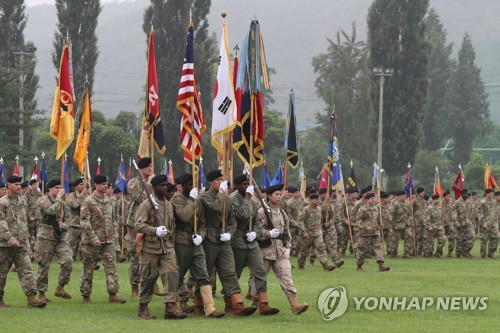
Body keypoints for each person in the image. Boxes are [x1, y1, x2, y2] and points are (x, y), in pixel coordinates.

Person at [198, 169, 256, 316]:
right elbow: (215, 207)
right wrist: (222, 195)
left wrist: (229, 234)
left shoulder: (228, 199)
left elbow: (232, 221)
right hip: (209, 239)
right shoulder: (204, 196)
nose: (220, 182)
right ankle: (199, 306)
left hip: (224, 240)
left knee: (230, 273)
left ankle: (237, 305)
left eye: (221, 179)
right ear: (211, 182)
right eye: (217, 180)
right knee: (205, 274)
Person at [170, 173, 225, 318]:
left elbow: (202, 223)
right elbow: (184, 216)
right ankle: (174, 305)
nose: (191, 186)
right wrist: (192, 200)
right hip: (181, 242)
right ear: (181, 186)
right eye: (187, 184)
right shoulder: (176, 200)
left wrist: (201, 235)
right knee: (178, 275)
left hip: (196, 242)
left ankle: (209, 308)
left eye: (192, 184)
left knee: (203, 275)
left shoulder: (198, 202)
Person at [135, 175, 186, 319]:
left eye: (166, 185)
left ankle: (170, 307)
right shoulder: (146, 204)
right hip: (150, 247)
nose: (165, 187)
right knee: (148, 279)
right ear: (154, 187)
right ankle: (143, 307)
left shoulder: (168, 204)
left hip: (167, 247)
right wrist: (154, 230)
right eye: (162, 185)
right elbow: (138, 225)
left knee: (172, 275)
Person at [230, 173, 279, 315]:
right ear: (237, 185)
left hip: (251, 242)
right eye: (244, 184)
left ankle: (263, 304)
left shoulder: (253, 201)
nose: (247, 187)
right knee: (235, 274)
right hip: (237, 240)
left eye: (248, 184)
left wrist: (255, 233)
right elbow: (242, 214)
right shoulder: (232, 199)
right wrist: (247, 198)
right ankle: (233, 303)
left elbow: (257, 221)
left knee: (260, 272)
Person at [257, 184, 308, 315]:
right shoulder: (262, 212)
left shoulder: (282, 212)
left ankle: (295, 305)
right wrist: (268, 234)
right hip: (265, 251)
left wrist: (288, 248)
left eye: (280, 194)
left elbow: (286, 233)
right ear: (268, 196)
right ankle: (257, 305)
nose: (279, 197)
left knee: (287, 278)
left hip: (280, 251)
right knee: (259, 279)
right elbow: (257, 231)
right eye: (276, 195)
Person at [0, 176, 46, 308]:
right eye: (16, 184)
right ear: (9, 185)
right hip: (5, 244)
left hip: (21, 243)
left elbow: (24, 221)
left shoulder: (22, 201)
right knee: (1, 273)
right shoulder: (2, 203)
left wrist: (27, 239)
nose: (19, 187)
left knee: (27, 270)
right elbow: (1, 223)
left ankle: (32, 298)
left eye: (20, 184)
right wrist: (10, 239)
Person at [80, 175, 126, 304]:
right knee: (89, 268)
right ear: (96, 185)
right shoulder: (88, 201)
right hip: (91, 242)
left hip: (108, 240)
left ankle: (113, 293)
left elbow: (114, 220)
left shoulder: (111, 200)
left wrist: (115, 239)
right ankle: (86, 295)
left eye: (107, 184)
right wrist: (93, 238)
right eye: (103, 184)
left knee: (111, 267)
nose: (106, 186)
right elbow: (84, 222)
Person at [34, 178, 73, 303]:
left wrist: (65, 226)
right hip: (45, 237)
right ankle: (41, 293)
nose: (59, 190)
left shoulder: (63, 203)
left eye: (60, 187)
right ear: (50, 189)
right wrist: (59, 198)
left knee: (68, 260)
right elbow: (51, 211)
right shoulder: (43, 200)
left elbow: (68, 220)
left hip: (60, 237)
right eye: (56, 187)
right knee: (43, 265)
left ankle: (60, 287)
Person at [125, 157, 152, 298]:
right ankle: (134, 287)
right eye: (148, 166)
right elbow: (141, 198)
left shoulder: (150, 183)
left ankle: (149, 283)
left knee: (149, 255)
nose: (150, 169)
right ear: (141, 168)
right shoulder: (134, 182)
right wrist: (148, 186)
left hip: (148, 223)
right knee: (136, 256)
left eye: (151, 166)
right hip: (135, 224)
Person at [296, 192, 335, 271]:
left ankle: (325, 264)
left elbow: (325, 208)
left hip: (317, 233)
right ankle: (301, 265)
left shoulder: (319, 209)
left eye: (318, 200)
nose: (317, 201)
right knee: (304, 250)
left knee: (321, 248)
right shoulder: (305, 209)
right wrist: (304, 232)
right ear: (310, 200)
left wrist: (326, 200)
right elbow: (300, 221)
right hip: (307, 233)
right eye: (315, 200)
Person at [355, 193, 390, 272]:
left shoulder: (376, 209)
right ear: (367, 200)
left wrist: (380, 225)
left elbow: (377, 220)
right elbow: (358, 221)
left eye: (374, 198)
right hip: (364, 233)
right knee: (362, 250)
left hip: (375, 232)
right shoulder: (362, 209)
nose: (373, 200)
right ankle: (359, 266)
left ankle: (381, 265)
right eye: (371, 198)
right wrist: (365, 227)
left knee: (378, 248)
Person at [64, 178, 87, 260]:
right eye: (80, 184)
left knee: (85, 243)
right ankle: (67, 258)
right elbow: (74, 205)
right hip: (73, 223)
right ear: (76, 187)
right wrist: (81, 196)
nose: (82, 186)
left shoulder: (87, 196)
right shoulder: (70, 195)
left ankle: (86, 259)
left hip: (84, 223)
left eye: (83, 184)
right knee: (70, 243)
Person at [453, 189, 475, 258]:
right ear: (462, 194)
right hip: (459, 224)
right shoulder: (457, 202)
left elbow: (470, 212)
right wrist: (456, 223)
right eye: (465, 193)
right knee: (460, 239)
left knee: (472, 236)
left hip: (468, 223)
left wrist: (471, 221)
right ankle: (458, 253)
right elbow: (454, 213)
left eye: (467, 193)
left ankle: (466, 251)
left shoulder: (469, 202)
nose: (467, 195)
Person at [25, 179, 42, 253]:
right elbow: (25, 207)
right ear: (31, 185)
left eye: (37, 184)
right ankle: (30, 252)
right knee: (30, 236)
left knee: (38, 235)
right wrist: (29, 216)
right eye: (34, 184)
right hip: (30, 218)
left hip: (38, 218)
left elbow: (42, 205)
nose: (36, 185)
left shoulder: (39, 194)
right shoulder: (27, 194)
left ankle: (36, 253)